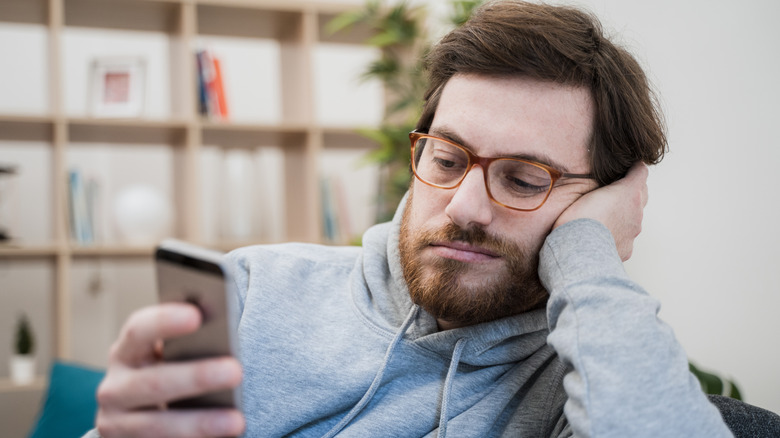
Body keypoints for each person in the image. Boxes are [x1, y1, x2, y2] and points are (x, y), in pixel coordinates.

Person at [87, 1, 736, 437]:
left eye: (523, 178)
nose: (464, 207)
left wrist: (589, 255)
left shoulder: (583, 381)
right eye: (448, 159)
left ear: (605, 205)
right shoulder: (252, 291)